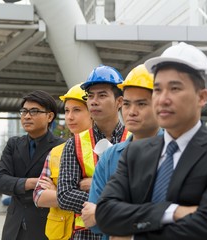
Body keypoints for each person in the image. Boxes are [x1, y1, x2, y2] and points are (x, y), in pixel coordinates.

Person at [95, 42, 207, 240]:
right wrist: (173, 212)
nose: (163, 99)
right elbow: (106, 214)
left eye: (175, 88)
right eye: (157, 90)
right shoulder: (135, 153)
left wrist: (132, 235)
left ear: (202, 96)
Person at [81, 64, 163, 240]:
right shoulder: (110, 157)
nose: (131, 112)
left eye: (141, 104)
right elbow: (92, 221)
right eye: (127, 104)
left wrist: (108, 215)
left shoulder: (178, 153)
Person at [57, 65, 129, 240]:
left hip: (124, 232)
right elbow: (65, 195)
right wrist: (117, 201)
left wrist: (95, 189)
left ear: (119, 102)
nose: (94, 101)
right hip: (86, 234)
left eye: (102, 95)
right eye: (90, 96)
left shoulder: (135, 139)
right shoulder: (74, 143)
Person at [0, 90, 65, 240]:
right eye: (24, 111)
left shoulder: (62, 147)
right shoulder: (13, 144)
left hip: (45, 225)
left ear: (49, 116)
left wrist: (16, 183)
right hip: (14, 226)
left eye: (34, 111)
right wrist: (31, 183)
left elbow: (63, 187)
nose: (26, 116)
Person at [33, 83, 93, 240]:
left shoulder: (105, 148)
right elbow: (38, 196)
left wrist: (57, 192)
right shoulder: (56, 152)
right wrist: (64, 194)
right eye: (67, 111)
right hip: (63, 235)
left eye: (77, 110)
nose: (69, 117)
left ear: (92, 112)